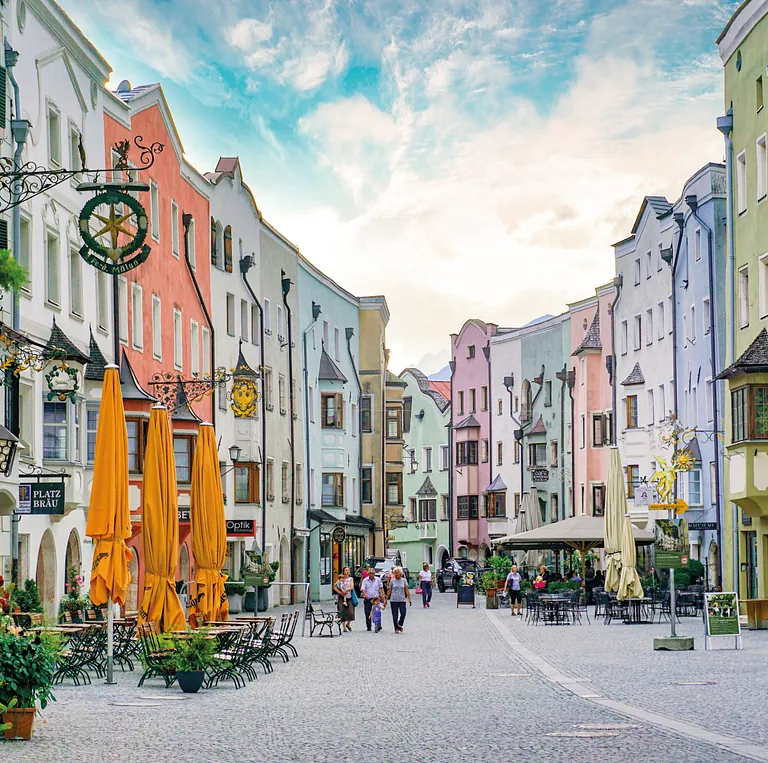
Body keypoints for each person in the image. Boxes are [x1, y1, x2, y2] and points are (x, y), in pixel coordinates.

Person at [386, 566, 412, 633]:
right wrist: (386, 599)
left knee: (403, 613)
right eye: (395, 573)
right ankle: (396, 628)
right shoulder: (392, 581)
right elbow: (389, 590)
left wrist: (409, 599)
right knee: (395, 615)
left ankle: (400, 624)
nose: (396, 574)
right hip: (394, 599)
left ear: (400, 573)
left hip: (402, 599)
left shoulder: (404, 580)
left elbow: (406, 590)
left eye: (397, 573)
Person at [333, 567, 355, 632]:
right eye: (346, 570)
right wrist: (340, 592)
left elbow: (352, 587)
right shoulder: (341, 578)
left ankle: (348, 624)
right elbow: (335, 587)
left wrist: (346, 590)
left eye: (348, 570)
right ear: (343, 571)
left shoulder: (351, 579)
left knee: (351, 611)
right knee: (341, 611)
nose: (347, 571)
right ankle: (344, 627)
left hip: (349, 596)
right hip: (341, 597)